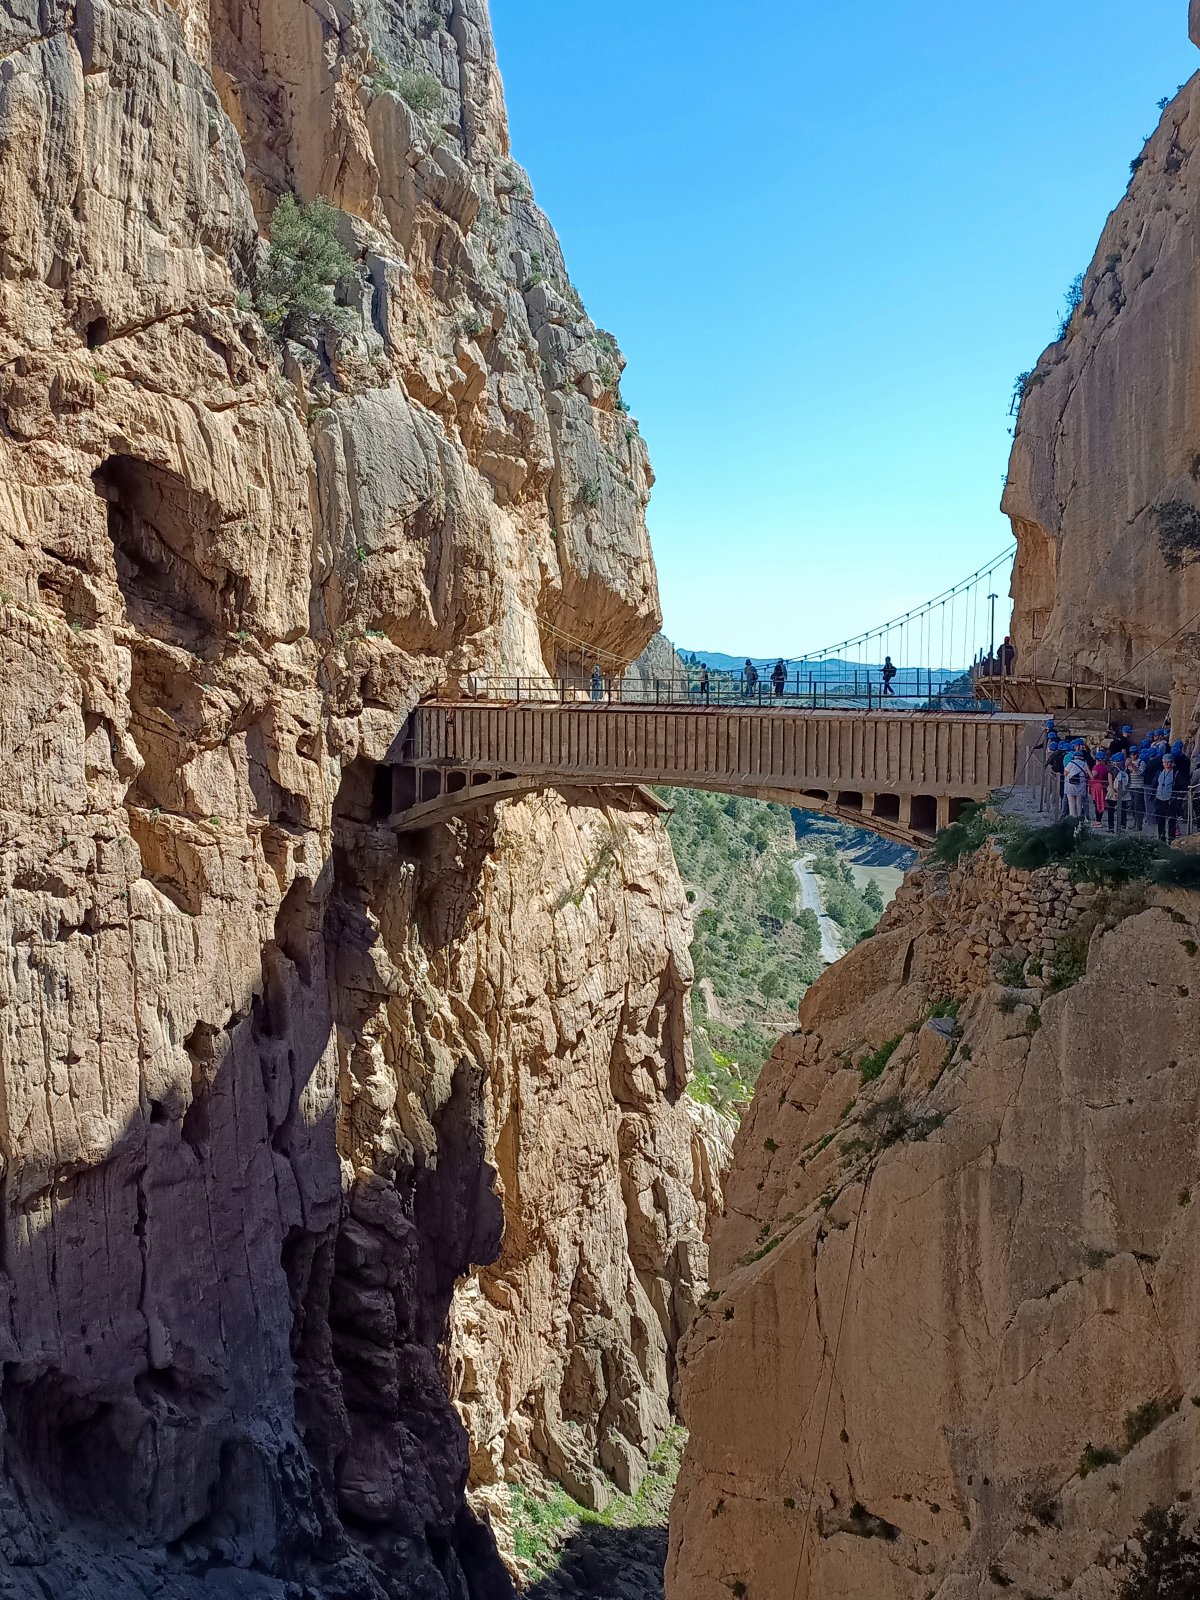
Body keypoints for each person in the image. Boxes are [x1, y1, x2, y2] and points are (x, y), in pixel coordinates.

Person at [1157, 752, 1180, 842]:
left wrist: (1175, 797)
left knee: (1171, 819)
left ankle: (1171, 838)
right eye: (1165, 762)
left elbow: (1180, 785)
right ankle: (1161, 838)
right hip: (1159, 797)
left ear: (1172, 762)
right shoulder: (1160, 772)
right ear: (1163, 763)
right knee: (1160, 819)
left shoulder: (1176, 772)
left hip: (1170, 799)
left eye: (1169, 762)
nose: (1167, 764)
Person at [1063, 746, 1090, 820]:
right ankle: (1079, 817)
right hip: (1080, 786)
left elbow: (1065, 773)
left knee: (1071, 803)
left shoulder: (1070, 763)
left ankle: (1072, 817)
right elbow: (1087, 774)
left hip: (1070, 786)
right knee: (1079, 803)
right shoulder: (1084, 764)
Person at [1106, 755, 1130, 833]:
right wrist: (1124, 792)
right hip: (1124, 792)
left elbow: (1110, 783)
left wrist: (1113, 793)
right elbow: (1129, 782)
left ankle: (1111, 827)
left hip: (1113, 791)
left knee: (1111, 809)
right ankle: (1123, 826)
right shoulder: (1127, 770)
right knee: (1123, 810)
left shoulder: (1112, 769)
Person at [1127, 748, 1147, 831]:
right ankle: (1135, 822)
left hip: (1138, 787)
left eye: (1134, 754)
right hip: (1131, 786)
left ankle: (1138, 824)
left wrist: (1131, 764)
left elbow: (1140, 772)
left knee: (1138, 807)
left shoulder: (1141, 762)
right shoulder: (1129, 762)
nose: (1133, 756)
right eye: (1131, 754)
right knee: (1131, 806)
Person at [1089, 752, 1109, 828]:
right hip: (1101, 787)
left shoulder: (1097, 767)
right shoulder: (1105, 767)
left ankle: (1098, 821)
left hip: (1096, 788)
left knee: (1097, 804)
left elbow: (1093, 776)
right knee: (1099, 803)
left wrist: (1087, 770)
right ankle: (1098, 820)